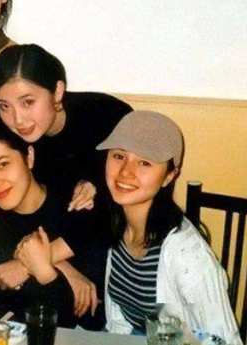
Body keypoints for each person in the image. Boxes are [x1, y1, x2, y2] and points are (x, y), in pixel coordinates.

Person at [18, 111, 242, 344]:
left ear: (169, 176)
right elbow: (119, 325)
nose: (125, 172)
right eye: (118, 156)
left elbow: (225, 339)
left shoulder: (188, 257)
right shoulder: (115, 224)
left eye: (144, 163)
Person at [0, 116, 106, 328]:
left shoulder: (76, 205)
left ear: (29, 156)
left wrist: (40, 271)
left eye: (3, 164)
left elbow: (86, 320)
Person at [0, 43, 133, 210]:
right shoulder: (4, 138)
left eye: (28, 102)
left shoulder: (108, 115)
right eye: (5, 106)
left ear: (57, 91)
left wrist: (98, 185)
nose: (18, 119)